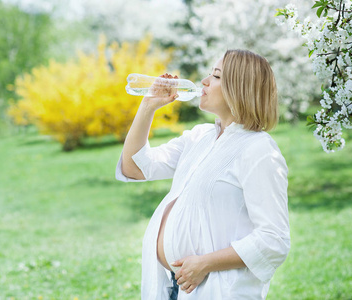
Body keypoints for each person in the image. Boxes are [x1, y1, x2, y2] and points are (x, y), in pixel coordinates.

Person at [115, 49, 290, 300]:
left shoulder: (258, 150)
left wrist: (205, 263)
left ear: (239, 87)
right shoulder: (200, 136)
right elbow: (135, 167)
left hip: (219, 292)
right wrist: (148, 106)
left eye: (216, 76)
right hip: (172, 288)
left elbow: (274, 241)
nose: (205, 81)